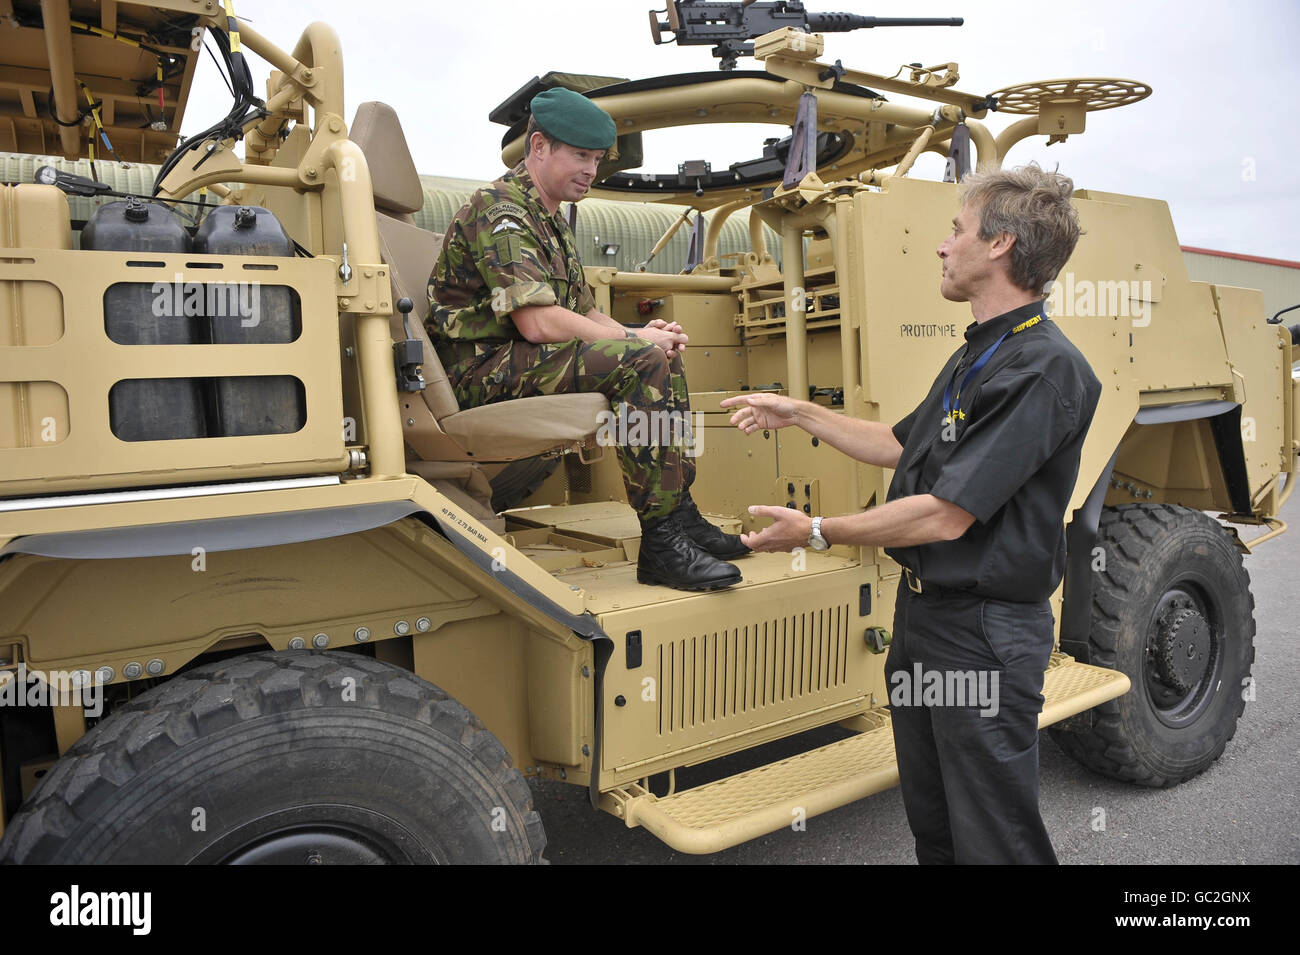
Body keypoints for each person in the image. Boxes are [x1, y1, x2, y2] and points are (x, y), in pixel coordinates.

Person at [721, 163, 1101, 864]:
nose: (942, 245)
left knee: (994, 838)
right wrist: (795, 411)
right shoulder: (978, 354)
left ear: (1000, 245)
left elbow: (946, 516)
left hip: (983, 635)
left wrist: (814, 531)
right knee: (937, 828)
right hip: (926, 621)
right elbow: (898, 445)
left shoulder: (1045, 369)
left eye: (956, 229)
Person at [428, 87, 745, 591]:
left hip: (521, 361)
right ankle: (662, 542)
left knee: (659, 356)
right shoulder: (501, 210)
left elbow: (585, 309)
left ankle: (679, 515)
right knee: (642, 362)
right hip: (479, 373)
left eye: (596, 159)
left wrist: (641, 334)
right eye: (579, 155)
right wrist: (634, 342)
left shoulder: (548, 216)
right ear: (538, 147)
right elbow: (538, 322)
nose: (590, 170)